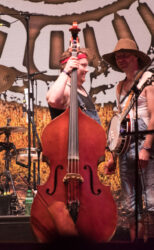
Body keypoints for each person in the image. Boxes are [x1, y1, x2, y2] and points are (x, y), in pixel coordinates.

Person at [102, 38, 154, 241]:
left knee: (150, 198)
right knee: (130, 203)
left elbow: (153, 115)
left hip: (144, 138)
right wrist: (113, 155)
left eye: (125, 55)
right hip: (124, 144)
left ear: (136, 58)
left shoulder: (148, 80)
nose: (120, 59)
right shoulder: (120, 86)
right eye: (117, 56)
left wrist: (147, 148)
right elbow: (118, 122)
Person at [47, 48, 101, 124]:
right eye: (83, 65)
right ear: (70, 66)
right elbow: (53, 100)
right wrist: (66, 71)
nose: (87, 70)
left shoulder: (81, 89)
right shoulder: (66, 89)